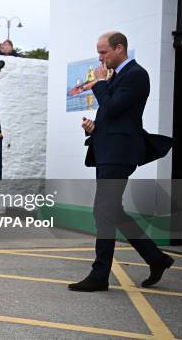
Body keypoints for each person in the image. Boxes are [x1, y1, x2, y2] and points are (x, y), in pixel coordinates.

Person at [69, 31, 174, 292]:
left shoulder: (137, 75)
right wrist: (94, 127)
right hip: (108, 151)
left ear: (119, 49)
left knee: (103, 211)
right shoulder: (119, 76)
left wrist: (101, 83)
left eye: (103, 52)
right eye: (98, 52)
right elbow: (112, 116)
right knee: (112, 211)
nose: (100, 57)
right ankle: (156, 258)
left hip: (119, 154)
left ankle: (100, 274)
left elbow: (113, 108)